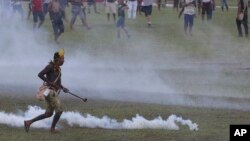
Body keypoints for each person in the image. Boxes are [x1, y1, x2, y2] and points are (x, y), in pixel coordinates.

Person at [24, 49, 69, 133]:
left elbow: (59, 83)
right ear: (57, 59)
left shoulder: (59, 70)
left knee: (48, 114)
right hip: (49, 92)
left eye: (63, 59)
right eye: (62, 59)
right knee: (59, 111)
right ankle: (52, 129)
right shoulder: (50, 67)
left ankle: (28, 122)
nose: (63, 61)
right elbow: (40, 74)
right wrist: (49, 82)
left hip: (53, 92)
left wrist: (63, 88)